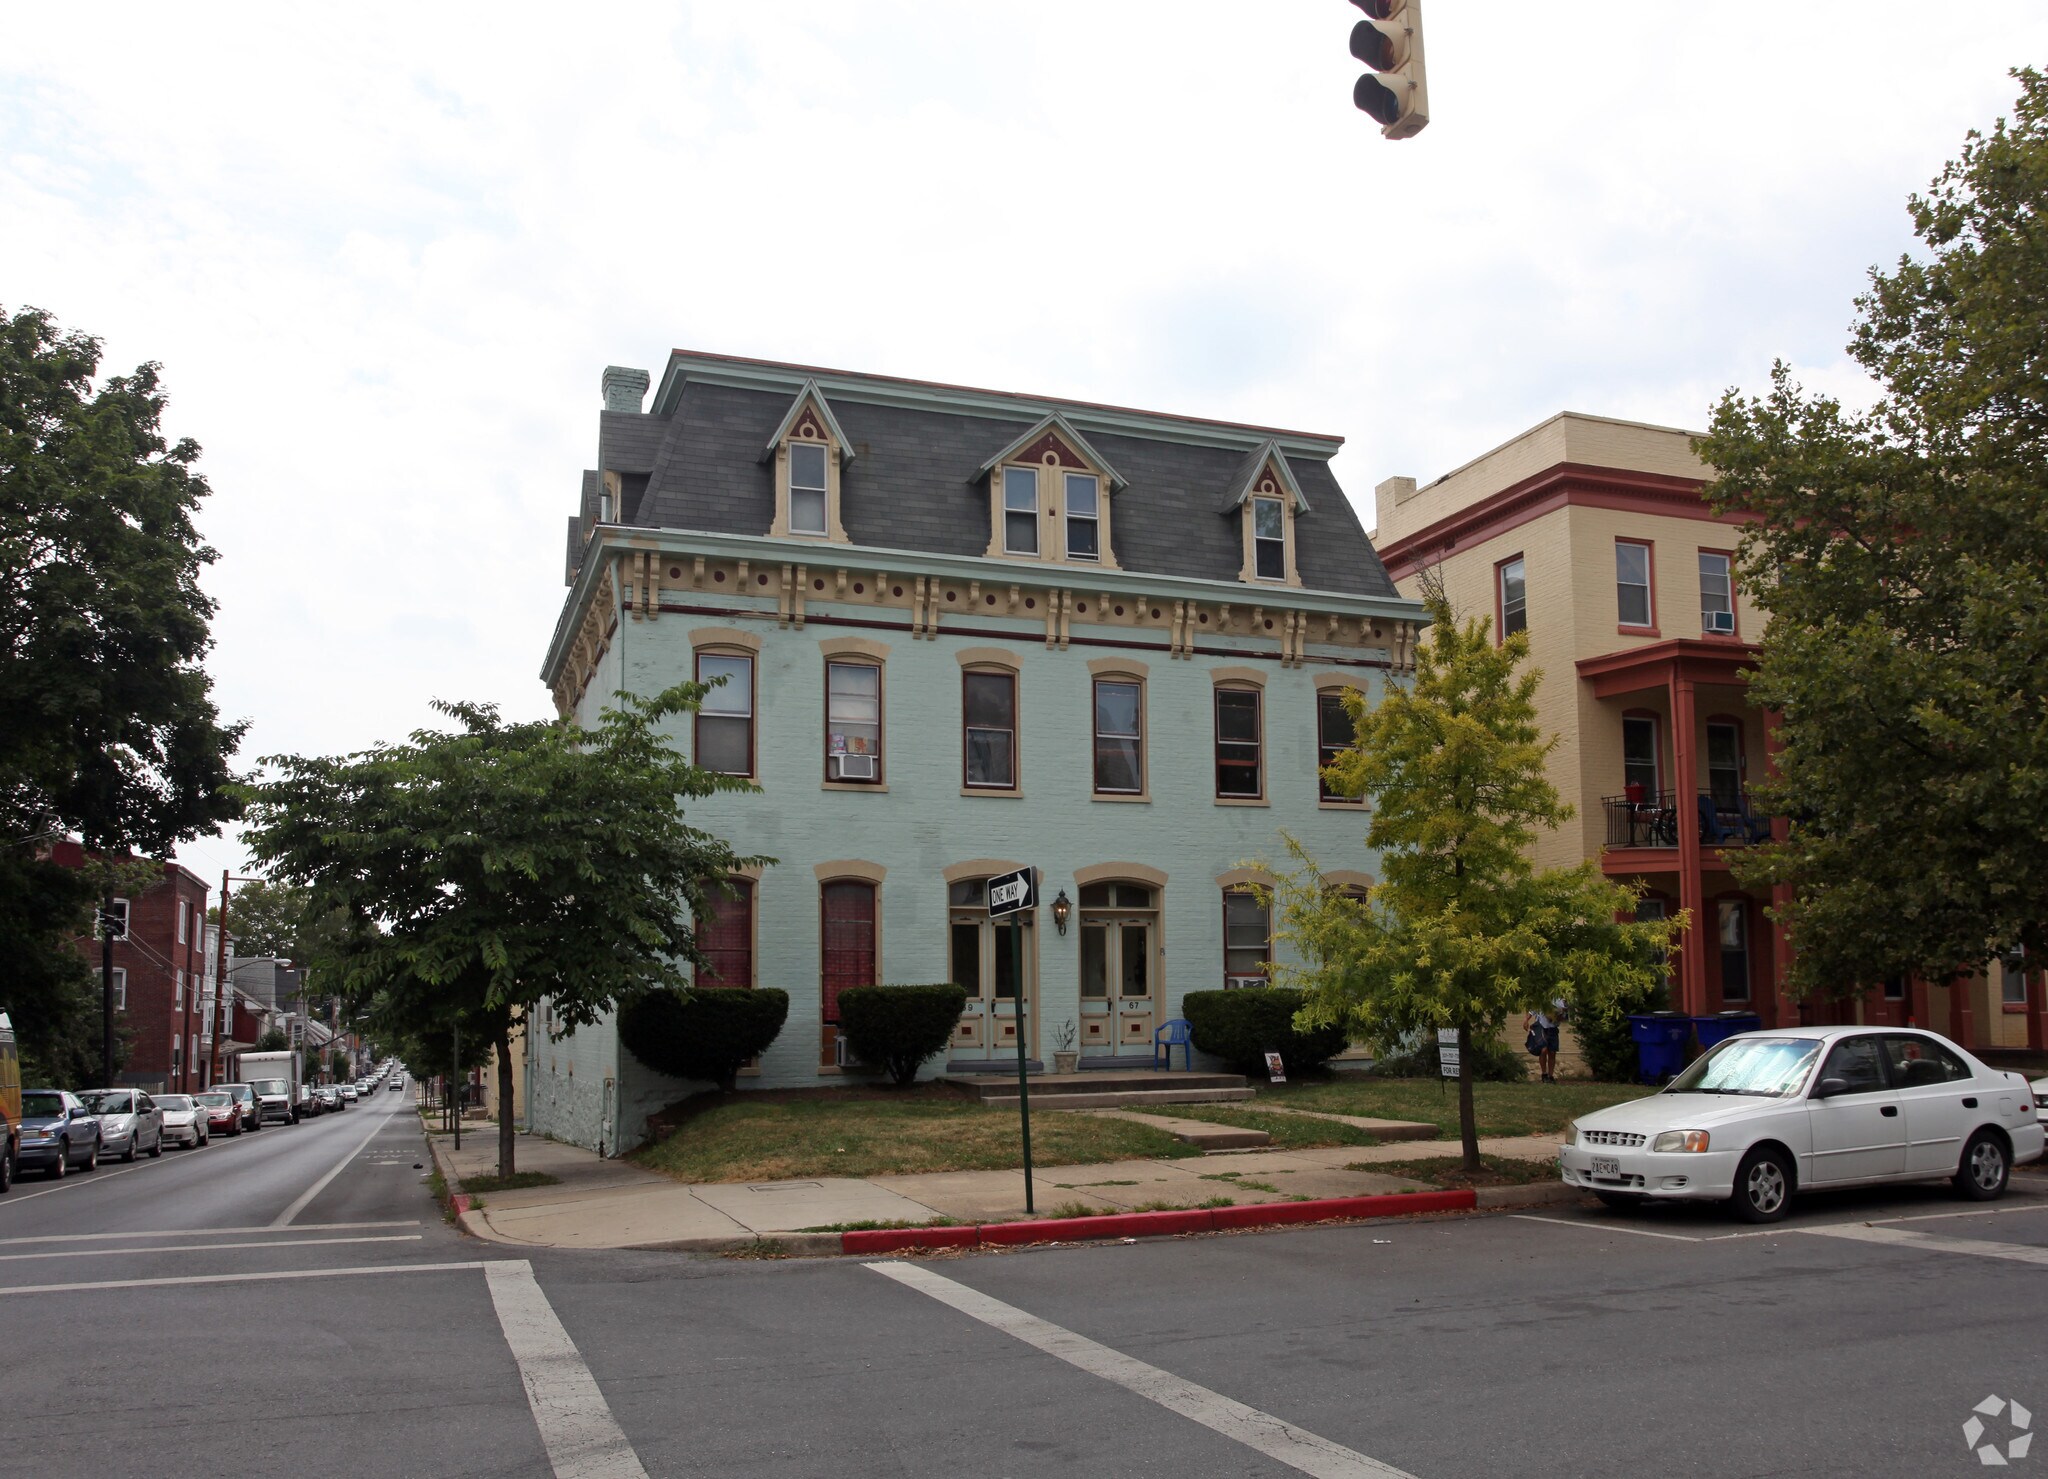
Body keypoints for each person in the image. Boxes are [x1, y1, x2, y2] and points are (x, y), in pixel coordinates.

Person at [1525, 998, 1567, 1083]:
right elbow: (1532, 1011)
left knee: (1552, 1052)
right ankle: (1544, 1074)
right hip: (1541, 1027)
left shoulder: (1559, 1000)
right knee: (1543, 1050)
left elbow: (1564, 1015)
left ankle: (1550, 1076)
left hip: (1553, 1028)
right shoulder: (1542, 997)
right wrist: (1526, 1020)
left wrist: (1560, 1015)